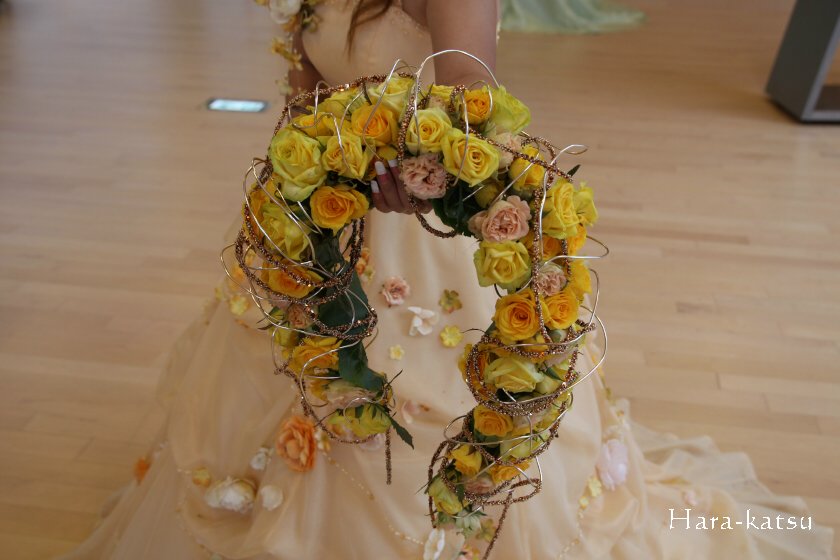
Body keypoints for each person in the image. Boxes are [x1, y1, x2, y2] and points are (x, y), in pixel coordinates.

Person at [62, 1, 833, 558]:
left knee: (426, 407)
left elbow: (469, 98)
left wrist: (408, 163)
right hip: (325, 222)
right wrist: (308, 167)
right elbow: (307, 94)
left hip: (422, 237)